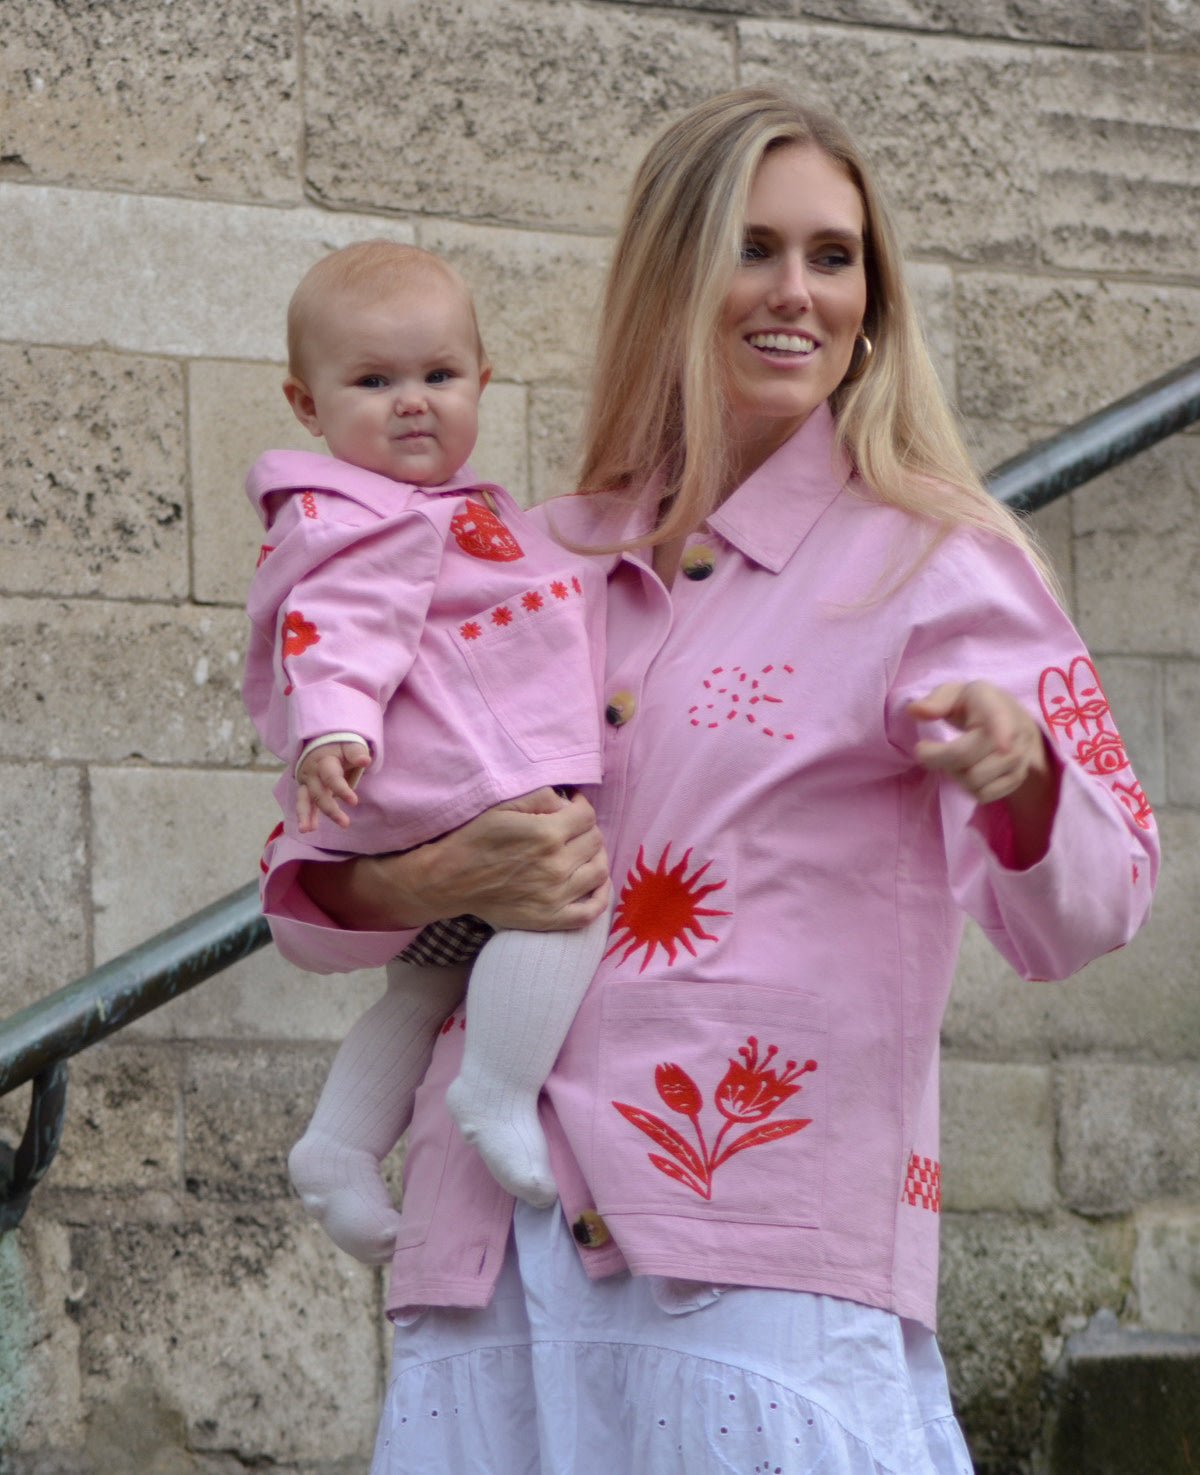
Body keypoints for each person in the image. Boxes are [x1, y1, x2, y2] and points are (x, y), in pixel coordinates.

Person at [258, 92, 1158, 1473]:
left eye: (834, 256)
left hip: (756, 1251)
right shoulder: (519, 553)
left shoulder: (939, 564)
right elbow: (309, 884)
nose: (799, 292)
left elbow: (1090, 911)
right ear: (671, 277)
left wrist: (1023, 777)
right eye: (752, 248)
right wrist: (438, 877)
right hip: (486, 1252)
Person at [242, 241, 611, 1259]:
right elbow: (336, 627)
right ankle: (497, 1085)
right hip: (462, 783)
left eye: (439, 374)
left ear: (482, 381)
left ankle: (338, 1145)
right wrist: (335, 727)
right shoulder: (366, 519)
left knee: (423, 981)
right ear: (306, 404)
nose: (412, 402)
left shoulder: (442, 509)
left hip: (433, 795)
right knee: (567, 895)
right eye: (374, 381)